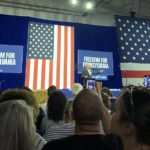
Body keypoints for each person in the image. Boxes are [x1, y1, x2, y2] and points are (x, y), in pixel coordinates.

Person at [42, 87, 123, 150]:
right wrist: (101, 103)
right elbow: (113, 133)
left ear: (72, 115)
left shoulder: (51, 147)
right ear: (102, 116)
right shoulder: (115, 145)